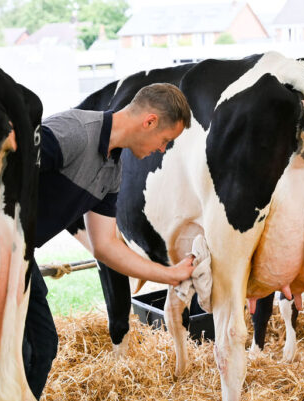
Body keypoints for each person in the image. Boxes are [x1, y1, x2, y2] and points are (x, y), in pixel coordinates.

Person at [22, 83, 195, 399]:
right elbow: (4, 166)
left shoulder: (112, 172)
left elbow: (106, 245)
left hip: (18, 255)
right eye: (165, 140)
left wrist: (171, 275)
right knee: (23, 351)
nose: (162, 149)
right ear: (150, 121)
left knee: (43, 346)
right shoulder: (75, 132)